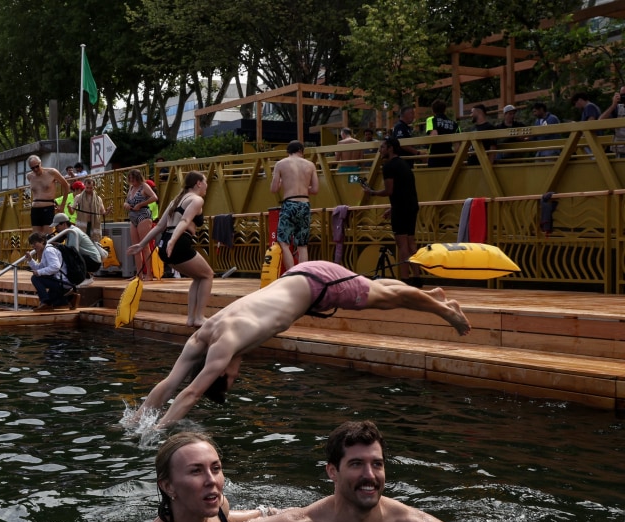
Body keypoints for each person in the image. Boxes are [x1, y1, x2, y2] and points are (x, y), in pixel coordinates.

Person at [134, 260, 470, 429]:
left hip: (316, 284)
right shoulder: (201, 337)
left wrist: (156, 434)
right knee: (378, 293)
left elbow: (189, 393)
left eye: (232, 379)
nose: (237, 374)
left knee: (383, 296)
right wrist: (135, 419)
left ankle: (444, 311)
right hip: (299, 279)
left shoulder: (224, 347)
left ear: (221, 371)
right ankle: (432, 298)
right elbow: (170, 383)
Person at [238, 421, 455, 522]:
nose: (369, 475)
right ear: (332, 471)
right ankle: (268, 510)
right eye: (356, 464)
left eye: (377, 464)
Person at [129, 172, 217, 327]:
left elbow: (161, 228)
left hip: (165, 245)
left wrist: (141, 245)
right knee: (208, 275)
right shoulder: (197, 200)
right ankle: (199, 317)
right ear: (198, 183)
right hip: (177, 243)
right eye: (205, 182)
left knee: (199, 277)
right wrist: (173, 241)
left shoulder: (175, 200)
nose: (207, 185)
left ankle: (192, 318)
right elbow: (185, 221)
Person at [363, 138, 422, 285]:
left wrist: (372, 192)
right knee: (411, 242)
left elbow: (389, 191)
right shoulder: (404, 165)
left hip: (401, 209)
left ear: (390, 148)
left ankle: (405, 279)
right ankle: (417, 277)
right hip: (411, 206)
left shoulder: (389, 167)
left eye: (382, 147)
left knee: (402, 245)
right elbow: (405, 191)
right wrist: (392, 208)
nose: (380, 150)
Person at [270, 141, 320, 272]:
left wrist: (282, 183)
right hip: (304, 204)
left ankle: (291, 273)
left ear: (288, 152)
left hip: (289, 204)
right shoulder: (310, 165)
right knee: (302, 244)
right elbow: (315, 189)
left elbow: (274, 189)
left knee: (284, 242)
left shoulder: (280, 164)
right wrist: (303, 188)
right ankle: (303, 274)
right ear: (301, 150)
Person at [25, 232, 76, 311]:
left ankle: (45, 302)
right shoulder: (45, 251)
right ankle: (68, 299)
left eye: (35, 243)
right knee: (54, 302)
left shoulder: (49, 251)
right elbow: (40, 267)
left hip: (61, 282)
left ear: (42, 241)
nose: (33, 246)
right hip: (58, 280)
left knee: (35, 278)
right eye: (32, 244)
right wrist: (30, 260)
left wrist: (39, 272)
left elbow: (55, 267)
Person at [123, 169, 158, 281]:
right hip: (133, 216)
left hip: (143, 214)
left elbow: (154, 197)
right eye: (130, 179)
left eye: (134, 179)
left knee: (145, 245)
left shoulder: (144, 186)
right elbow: (127, 200)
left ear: (138, 178)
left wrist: (141, 204)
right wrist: (126, 204)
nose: (132, 181)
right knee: (136, 246)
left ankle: (149, 274)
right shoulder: (131, 187)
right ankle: (139, 274)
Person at [25, 155, 71, 236]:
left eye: (37, 166)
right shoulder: (30, 176)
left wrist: (62, 205)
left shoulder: (51, 172)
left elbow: (66, 186)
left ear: (40, 163)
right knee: (36, 237)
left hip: (48, 207)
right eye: (32, 168)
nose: (35, 169)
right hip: (35, 209)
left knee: (48, 236)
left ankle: (49, 248)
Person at [51, 213, 102, 280]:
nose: (56, 229)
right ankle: (84, 277)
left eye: (57, 226)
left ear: (64, 224)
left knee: (69, 257)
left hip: (93, 261)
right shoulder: (69, 232)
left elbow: (72, 250)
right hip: (90, 259)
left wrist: (58, 245)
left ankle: (79, 278)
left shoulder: (73, 232)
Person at [425, 99, 458, 168]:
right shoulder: (454, 123)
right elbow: (457, 144)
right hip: (449, 155)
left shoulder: (431, 119)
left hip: (435, 155)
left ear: (433, 110)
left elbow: (434, 135)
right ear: (445, 110)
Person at [600, 86, 625, 158]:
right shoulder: (617, 108)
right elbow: (600, 121)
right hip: (621, 149)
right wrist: (613, 105)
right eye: (622, 95)